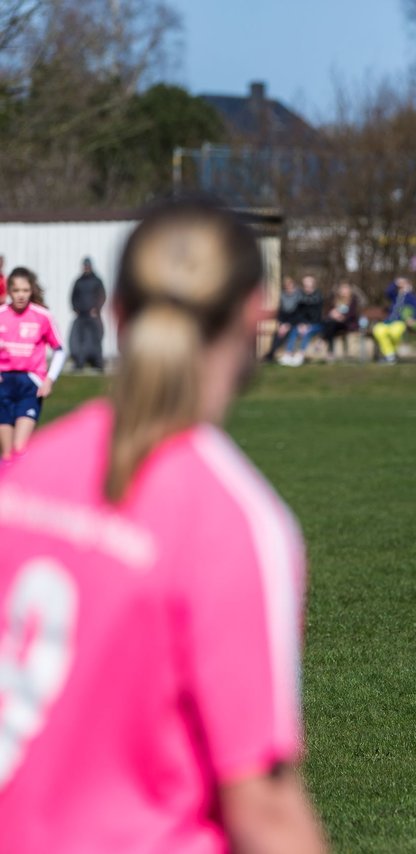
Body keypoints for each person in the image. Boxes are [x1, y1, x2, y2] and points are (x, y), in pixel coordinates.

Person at [0, 198, 328, 852]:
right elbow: (262, 804)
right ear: (253, 315)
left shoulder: (23, 478)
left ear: (116, 311)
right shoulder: (234, 522)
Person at [0, 267, 65, 463]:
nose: (21, 295)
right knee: (7, 454)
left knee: (20, 449)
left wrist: (49, 380)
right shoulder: (1, 314)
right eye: (17, 290)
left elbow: (60, 350)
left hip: (30, 385)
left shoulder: (42, 316)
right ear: (9, 291)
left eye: (25, 290)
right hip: (3, 384)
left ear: (31, 291)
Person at [371, 277, 416, 364]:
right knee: (378, 330)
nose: (401, 287)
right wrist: (396, 283)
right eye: (400, 286)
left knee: (394, 333)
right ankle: (391, 356)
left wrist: (413, 318)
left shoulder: (411, 297)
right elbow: (388, 292)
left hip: (401, 322)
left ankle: (390, 356)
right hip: (388, 322)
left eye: (404, 285)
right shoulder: (395, 297)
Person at [69, 257, 107, 371]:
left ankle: (98, 363)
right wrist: (75, 308)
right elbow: (73, 296)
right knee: (79, 340)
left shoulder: (97, 281)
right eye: (85, 266)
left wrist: (97, 308)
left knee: (96, 339)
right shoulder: (78, 281)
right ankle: (79, 362)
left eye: (88, 266)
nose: (86, 268)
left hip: (93, 315)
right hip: (81, 315)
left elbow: (102, 296)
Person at [280, 275, 324, 366]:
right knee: (294, 330)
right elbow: (299, 314)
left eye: (309, 285)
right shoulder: (300, 297)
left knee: (307, 333)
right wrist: (301, 324)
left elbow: (317, 315)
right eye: (305, 285)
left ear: (313, 285)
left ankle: (300, 355)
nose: (307, 287)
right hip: (303, 324)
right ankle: (288, 354)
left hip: (316, 324)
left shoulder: (318, 297)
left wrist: (307, 325)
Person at [320, 281, 365, 360]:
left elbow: (352, 314)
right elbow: (330, 311)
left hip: (348, 324)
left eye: (346, 289)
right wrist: (332, 314)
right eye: (342, 289)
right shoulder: (335, 300)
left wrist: (341, 317)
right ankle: (330, 352)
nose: (344, 291)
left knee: (330, 325)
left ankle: (323, 341)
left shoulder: (353, 300)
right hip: (336, 324)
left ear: (349, 290)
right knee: (330, 324)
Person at [263, 275, 301, 362]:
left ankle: (272, 355)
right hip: (284, 323)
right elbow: (281, 313)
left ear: (294, 286)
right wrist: (281, 324)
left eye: (290, 286)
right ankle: (271, 354)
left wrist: (288, 325)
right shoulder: (283, 296)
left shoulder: (298, 297)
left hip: (295, 322)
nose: (289, 288)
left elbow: (298, 314)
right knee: (277, 334)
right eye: (286, 286)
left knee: (285, 334)